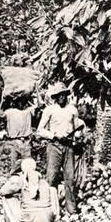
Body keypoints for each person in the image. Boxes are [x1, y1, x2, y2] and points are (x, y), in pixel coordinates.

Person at [37, 82, 82, 214]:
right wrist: (54, 136)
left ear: (67, 95)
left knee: (70, 178)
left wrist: (77, 137)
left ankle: (71, 209)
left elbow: (77, 127)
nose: (62, 97)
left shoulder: (72, 110)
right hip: (54, 146)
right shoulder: (49, 110)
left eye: (64, 95)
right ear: (55, 97)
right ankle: (50, 208)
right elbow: (40, 130)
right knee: (52, 177)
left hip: (68, 147)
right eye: (59, 95)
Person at [0, 158, 60, 222]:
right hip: (47, 221)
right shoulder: (43, 181)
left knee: (6, 197)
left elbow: (3, 191)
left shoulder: (21, 180)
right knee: (53, 190)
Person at [0, 84, 44, 175]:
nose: (20, 103)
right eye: (18, 101)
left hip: (26, 142)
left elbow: (41, 104)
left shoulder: (28, 111)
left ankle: (26, 187)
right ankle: (15, 186)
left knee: (28, 168)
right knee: (15, 168)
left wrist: (37, 89)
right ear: (15, 102)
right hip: (15, 142)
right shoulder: (10, 112)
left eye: (22, 100)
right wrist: (2, 99)